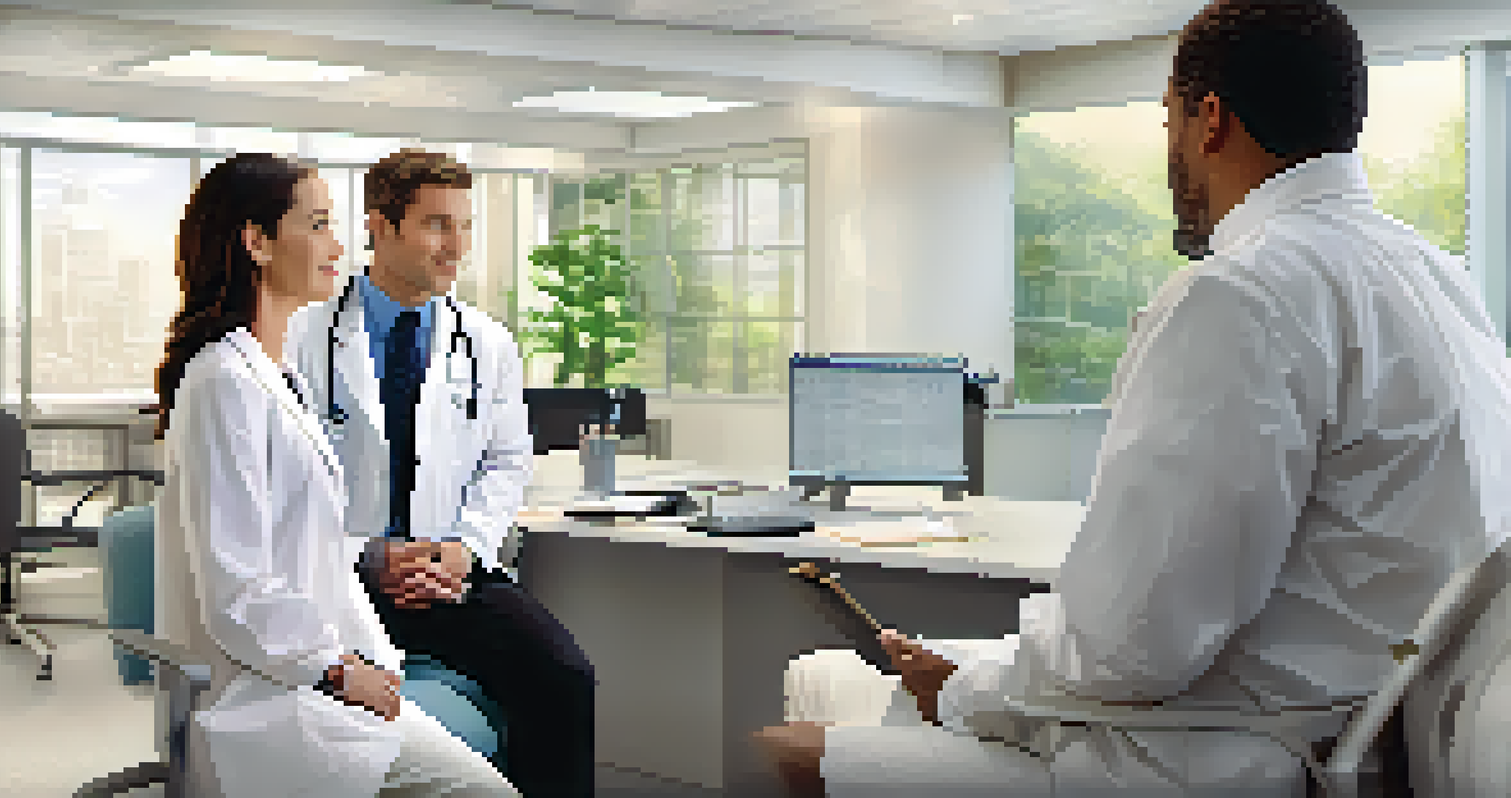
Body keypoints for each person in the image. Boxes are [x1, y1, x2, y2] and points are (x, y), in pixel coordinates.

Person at [753, 1, 1511, 795]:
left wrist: (970, 690)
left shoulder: (1243, 294)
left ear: (1209, 118)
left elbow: (1138, 646)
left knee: (802, 746)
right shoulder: (1440, 277)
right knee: (843, 678)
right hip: (1354, 725)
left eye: (1169, 124)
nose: (1171, 155)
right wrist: (988, 674)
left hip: (1209, 754)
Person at [153, 152, 520, 798]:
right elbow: (236, 588)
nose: (339, 244)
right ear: (257, 242)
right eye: (318, 224)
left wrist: (376, 602)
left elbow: (306, 538)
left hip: (316, 666)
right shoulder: (224, 383)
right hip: (272, 697)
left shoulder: (270, 373)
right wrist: (336, 670)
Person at [285, 148, 595, 798]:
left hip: (448, 574)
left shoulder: (486, 341)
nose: (457, 246)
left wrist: (463, 549)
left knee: (565, 676)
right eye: (436, 225)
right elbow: (286, 484)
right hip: (340, 579)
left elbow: (507, 462)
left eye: (465, 226)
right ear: (380, 225)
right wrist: (368, 555)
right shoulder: (301, 337)